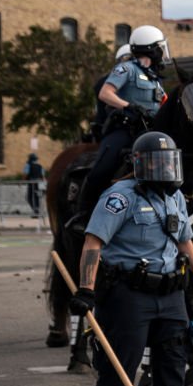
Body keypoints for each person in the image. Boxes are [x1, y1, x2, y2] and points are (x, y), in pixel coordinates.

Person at [70, 131, 193, 386]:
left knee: (172, 366)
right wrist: (86, 290)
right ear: (139, 165)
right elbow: (93, 243)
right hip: (129, 296)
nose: (164, 169)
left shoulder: (177, 198)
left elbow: (185, 242)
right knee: (119, 368)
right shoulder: (119, 197)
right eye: (156, 163)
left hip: (170, 295)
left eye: (169, 162)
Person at [68, 25, 169, 234]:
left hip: (149, 133)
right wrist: (128, 106)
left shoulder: (155, 80)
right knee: (102, 169)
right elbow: (105, 93)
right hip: (124, 131)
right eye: (160, 48)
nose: (163, 53)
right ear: (151, 49)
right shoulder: (127, 69)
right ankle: (83, 214)